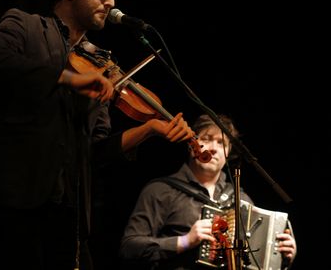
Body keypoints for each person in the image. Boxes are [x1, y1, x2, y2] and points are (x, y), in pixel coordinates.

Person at [0, 0, 198, 270]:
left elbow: (96, 151)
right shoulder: (26, 25)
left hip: (68, 217)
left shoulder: (100, 67)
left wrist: (149, 129)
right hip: (11, 205)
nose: (110, 2)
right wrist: (66, 79)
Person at [119, 114, 297, 270]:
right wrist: (184, 241)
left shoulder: (241, 200)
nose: (213, 148)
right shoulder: (161, 190)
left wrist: (282, 257)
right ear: (192, 144)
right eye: (206, 138)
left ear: (229, 152)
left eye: (222, 143)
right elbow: (129, 248)